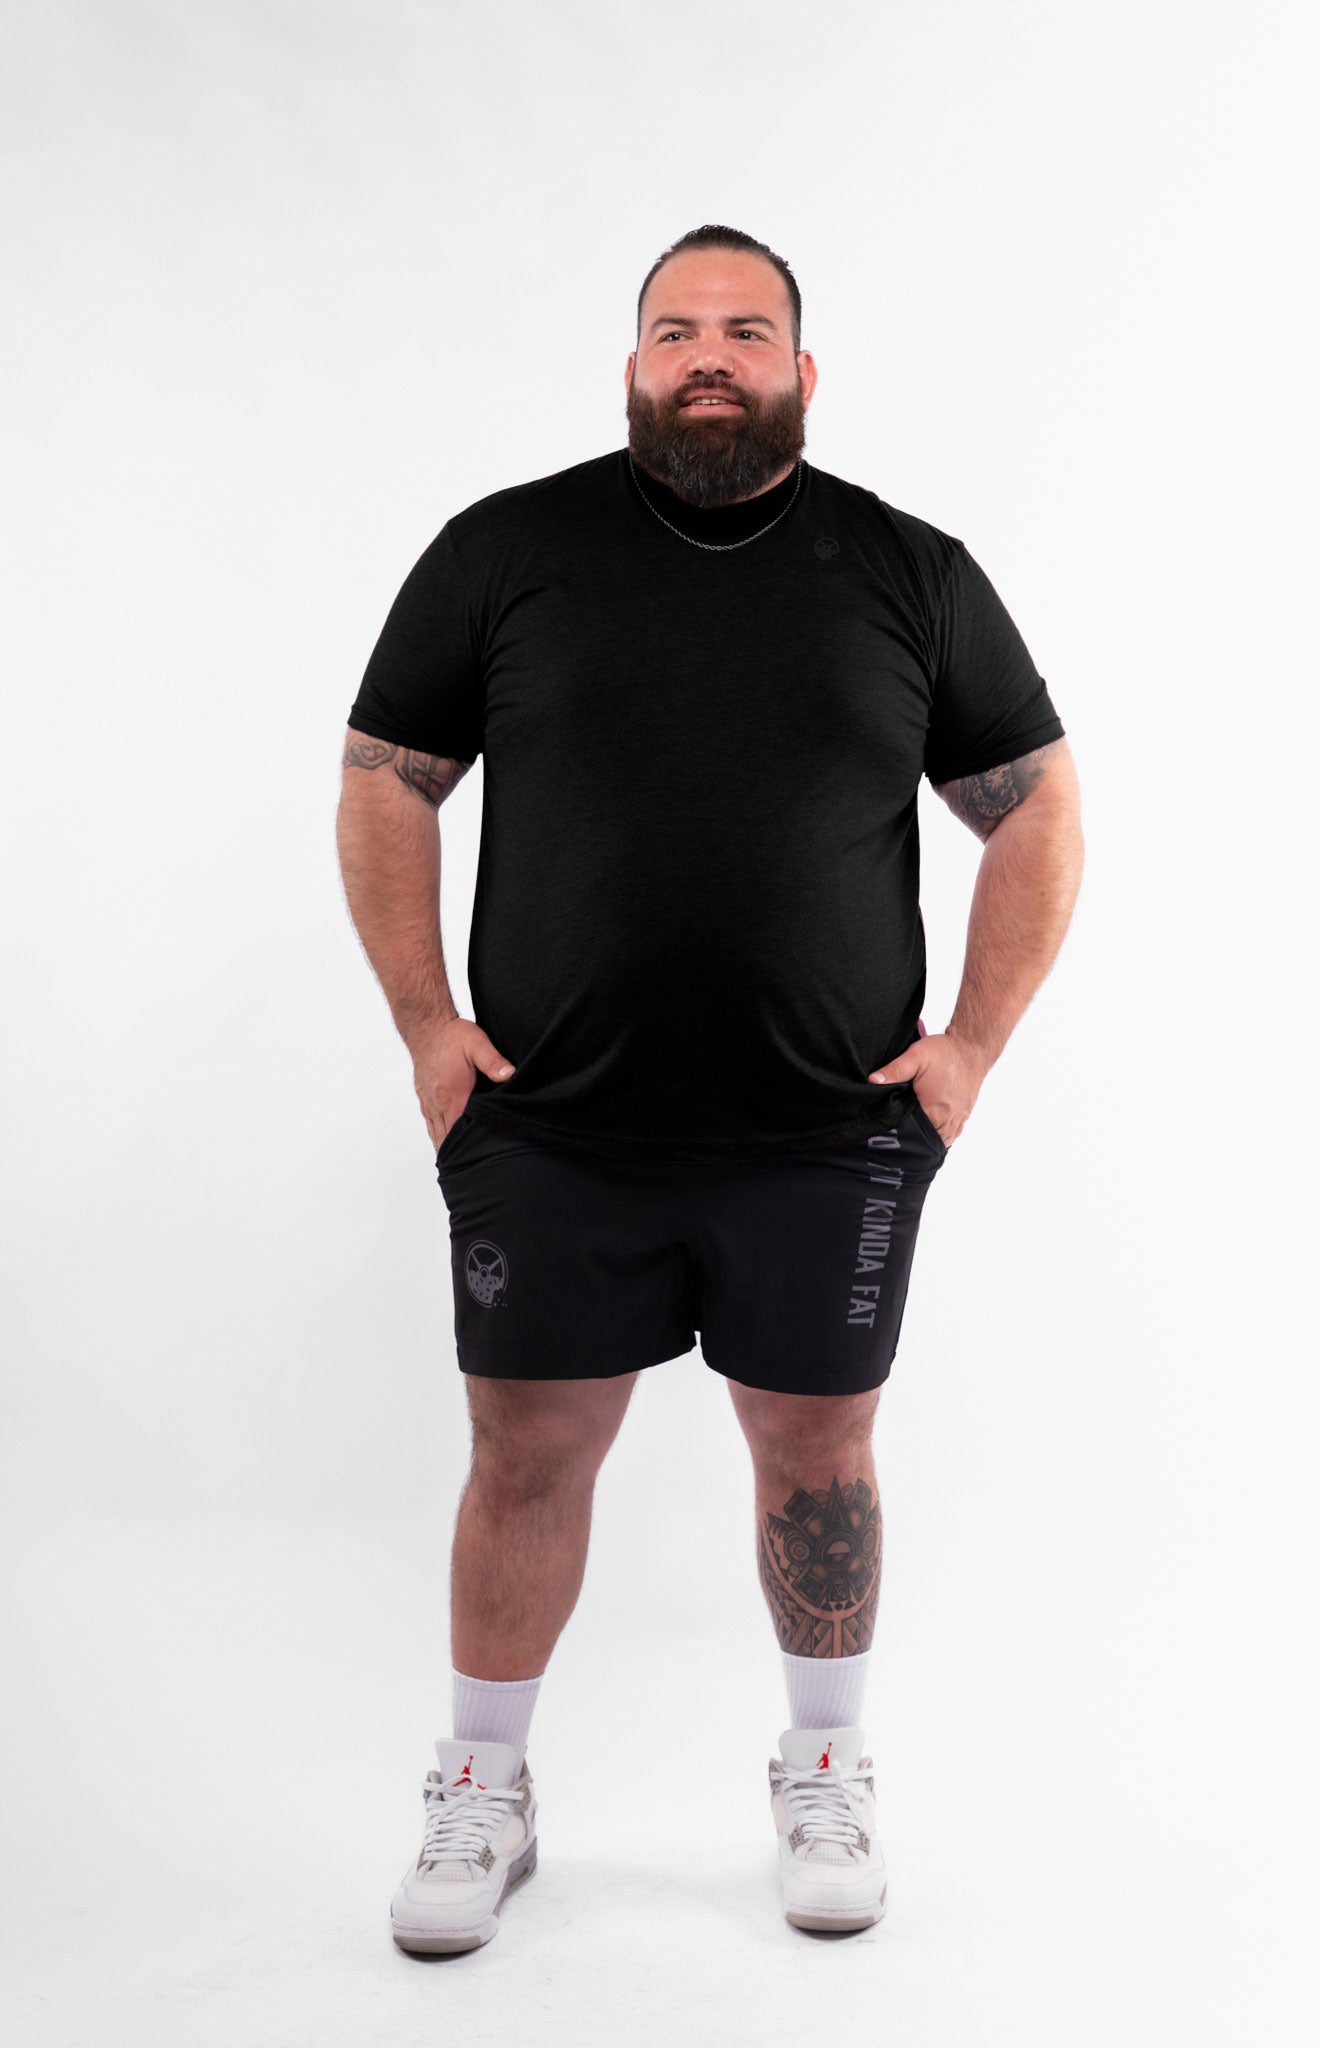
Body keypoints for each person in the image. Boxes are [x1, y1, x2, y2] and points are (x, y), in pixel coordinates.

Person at [335, 224, 1084, 1953]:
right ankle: (482, 1783)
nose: (708, 357)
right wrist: (427, 1027)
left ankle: (825, 1765)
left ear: (802, 373)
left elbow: (1035, 799)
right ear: (631, 368)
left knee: (819, 1449)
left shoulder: (907, 572)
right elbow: (385, 778)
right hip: (549, 1124)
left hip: (829, 1132)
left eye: (746, 331)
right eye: (675, 330)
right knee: (525, 1451)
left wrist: (968, 1051)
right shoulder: (506, 553)